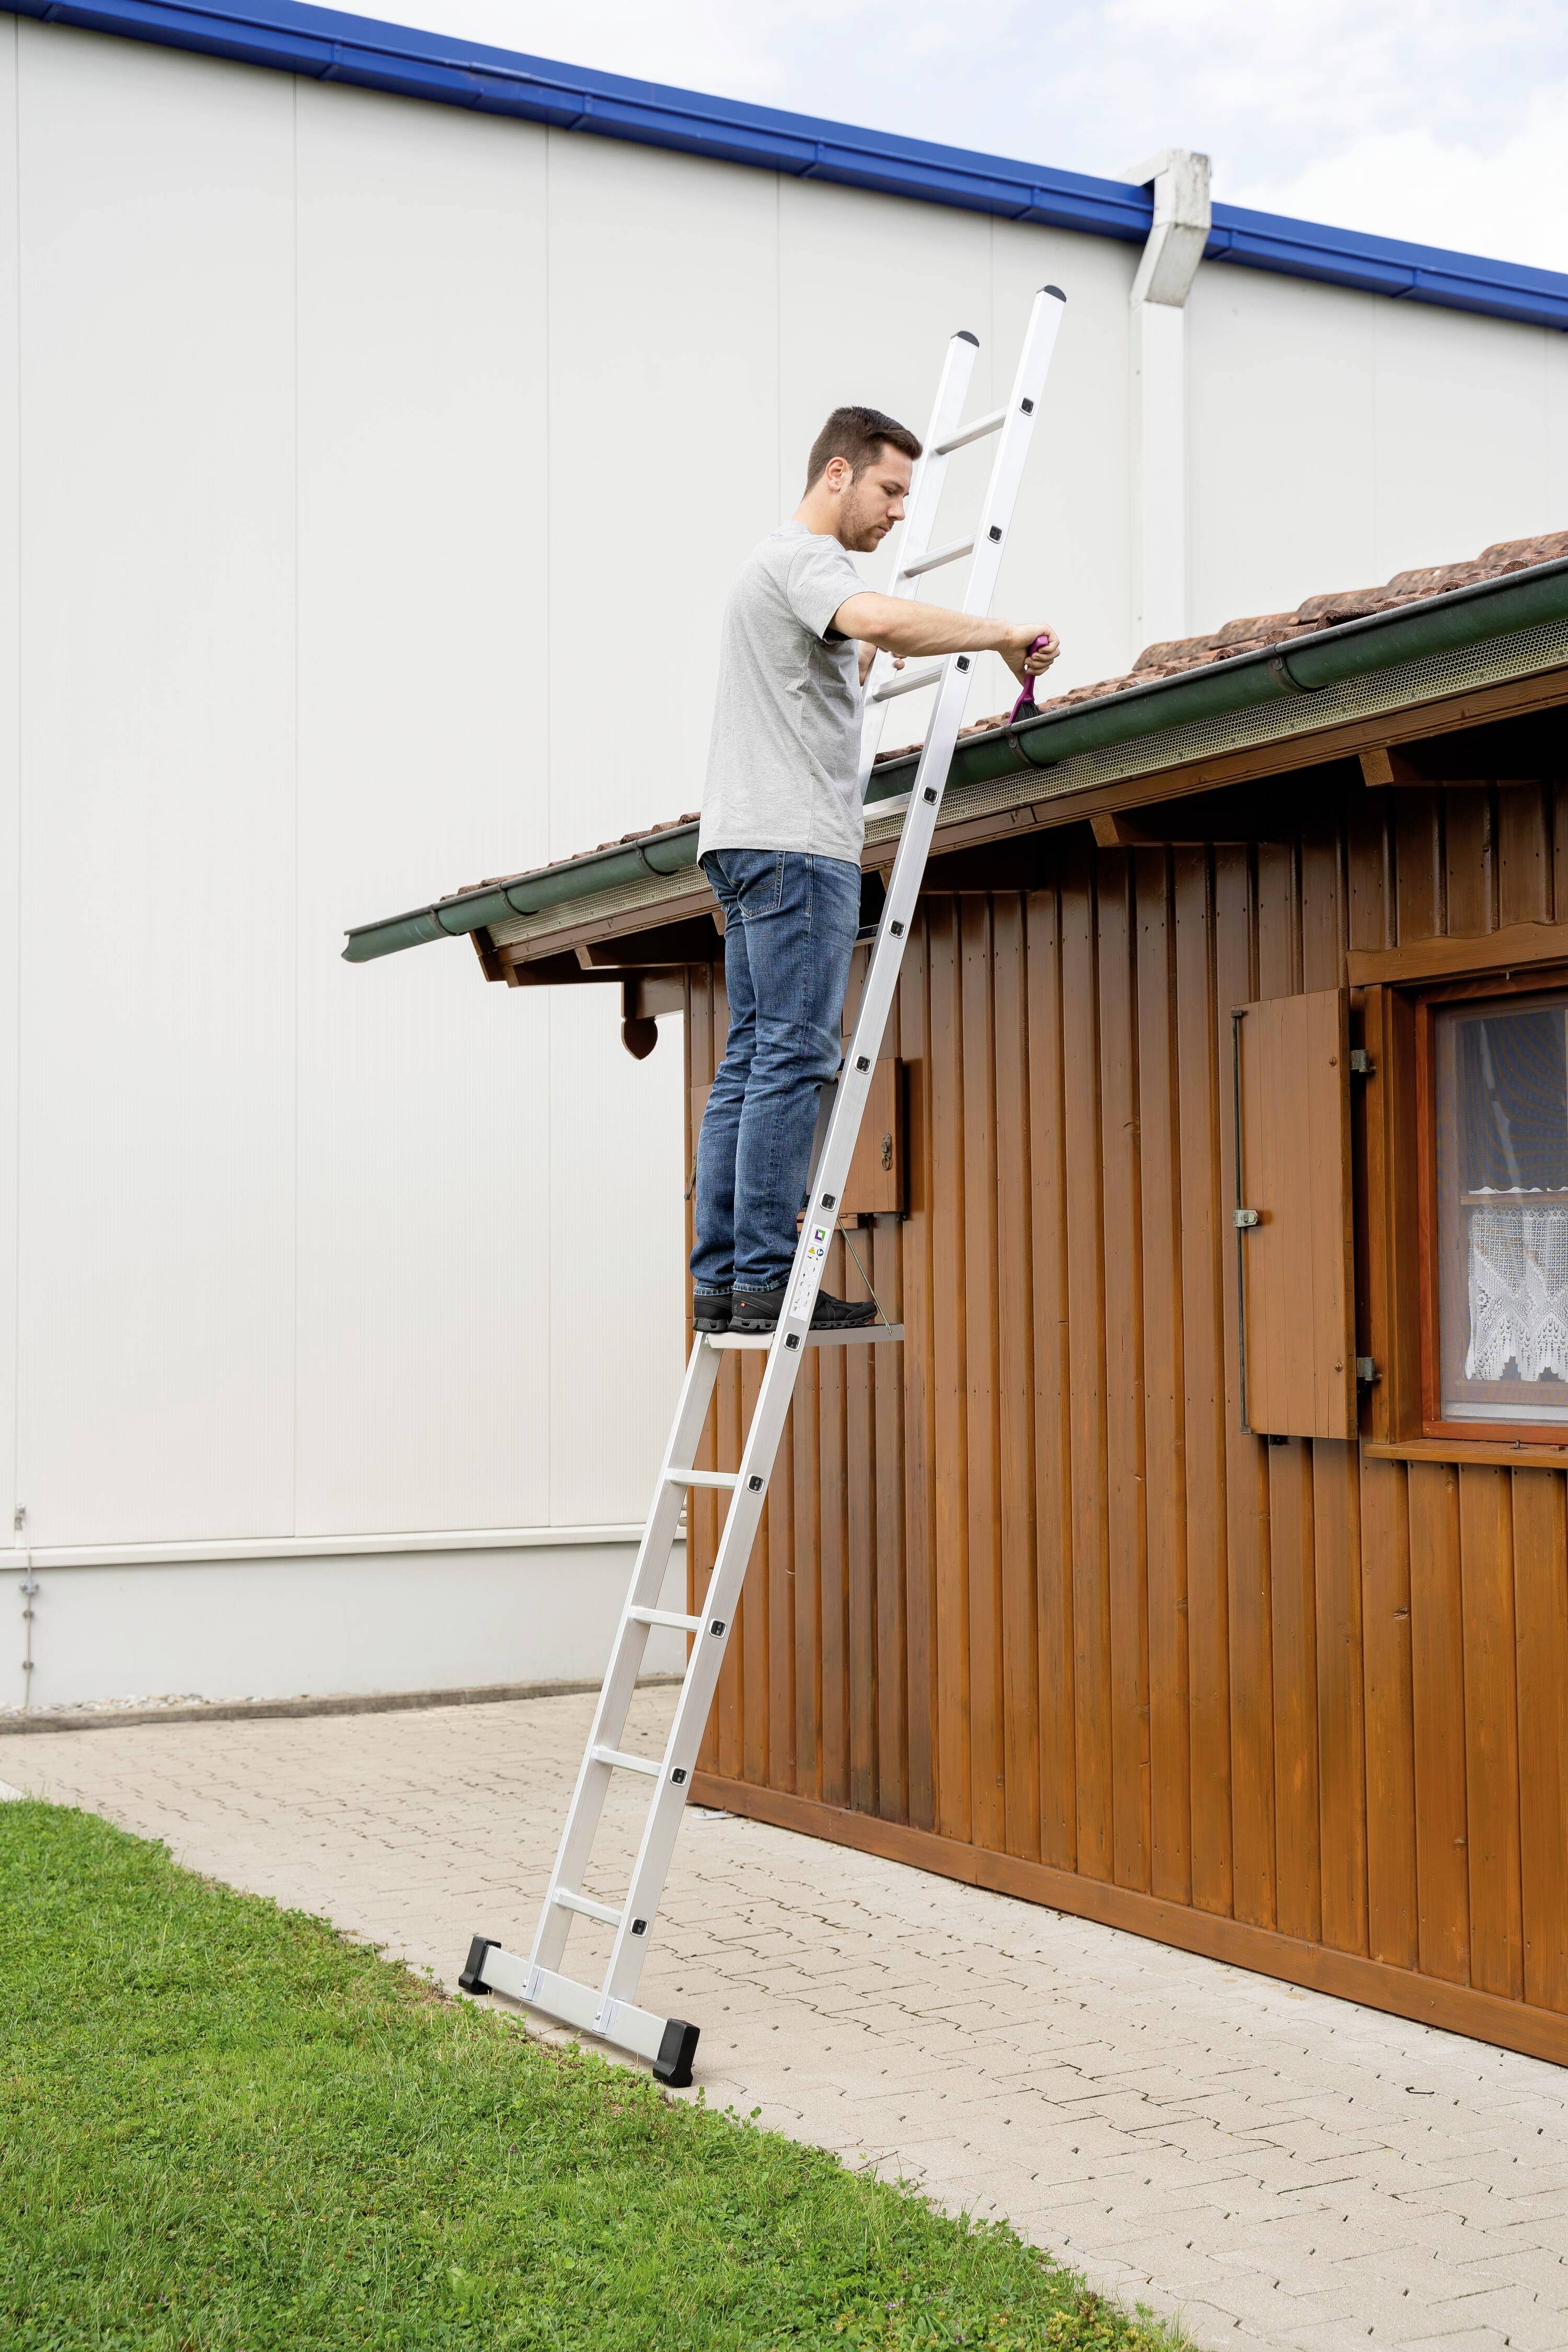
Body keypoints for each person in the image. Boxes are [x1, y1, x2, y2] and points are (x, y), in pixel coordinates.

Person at [690, 403, 1060, 1336]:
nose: (899, 512)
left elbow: (846, 647)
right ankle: (770, 1282)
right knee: (793, 1055)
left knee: (749, 1060)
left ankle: (726, 1282)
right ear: (838, 475)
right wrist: (1000, 632)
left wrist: (848, 661)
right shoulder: (807, 561)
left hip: (741, 841)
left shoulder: (767, 572)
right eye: (891, 489)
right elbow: (884, 620)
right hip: (795, 845)